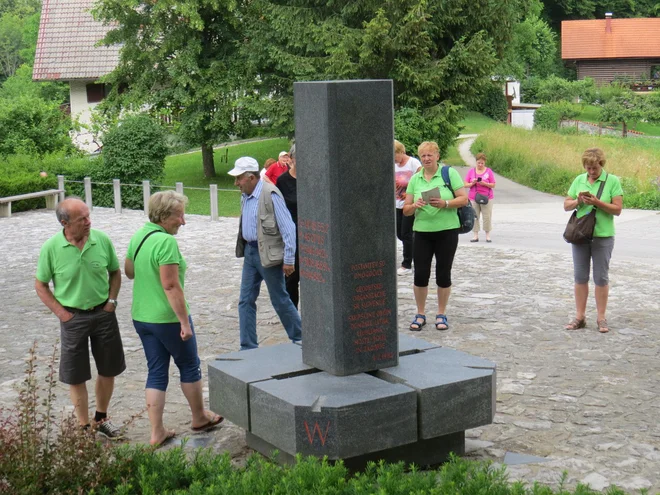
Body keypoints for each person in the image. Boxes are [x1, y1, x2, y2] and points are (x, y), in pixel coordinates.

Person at [125, 191, 222, 447]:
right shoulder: (166, 243)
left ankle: (156, 432)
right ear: (165, 216)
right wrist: (184, 323)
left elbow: (129, 271)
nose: (183, 221)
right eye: (180, 215)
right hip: (166, 318)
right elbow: (170, 286)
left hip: (142, 317)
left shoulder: (139, 235)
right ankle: (199, 417)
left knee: (156, 371)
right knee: (189, 365)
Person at [35, 197, 126, 439]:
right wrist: (61, 313)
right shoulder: (51, 248)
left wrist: (112, 301)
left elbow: (115, 272)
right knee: (76, 374)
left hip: (103, 314)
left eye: (88, 216)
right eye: (82, 219)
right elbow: (41, 285)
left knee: (108, 369)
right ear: (65, 223)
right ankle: (84, 426)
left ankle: (101, 418)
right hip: (72, 318)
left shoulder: (101, 240)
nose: (88, 222)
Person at [229, 156, 302, 350]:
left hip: (268, 255)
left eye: (239, 178)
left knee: (279, 298)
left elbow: (288, 228)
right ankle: (248, 346)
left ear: (251, 177)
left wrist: (289, 259)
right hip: (250, 253)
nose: (236, 183)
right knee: (245, 300)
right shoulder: (245, 195)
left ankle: (301, 338)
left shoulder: (271, 194)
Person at [403, 141, 469, 332]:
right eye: (423, 156)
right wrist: (415, 206)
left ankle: (441, 313)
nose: (426, 159)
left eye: (430, 155)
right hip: (422, 231)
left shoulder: (449, 173)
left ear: (437, 156)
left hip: (447, 231)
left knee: (443, 273)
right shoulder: (416, 179)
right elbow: (405, 210)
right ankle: (420, 313)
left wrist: (445, 203)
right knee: (420, 274)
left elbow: (463, 199)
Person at [563, 148, 623, 334]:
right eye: (588, 168)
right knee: (580, 277)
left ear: (601, 165)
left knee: (601, 277)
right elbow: (566, 205)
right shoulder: (579, 179)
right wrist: (578, 201)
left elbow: (617, 209)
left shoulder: (612, 181)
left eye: (594, 168)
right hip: (581, 235)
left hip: (602, 235)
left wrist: (597, 202)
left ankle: (601, 318)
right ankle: (580, 316)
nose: (591, 172)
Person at [276, 144, 300, 308]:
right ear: (291, 159)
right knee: (291, 278)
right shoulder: (283, 181)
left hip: (312, 234)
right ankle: (293, 317)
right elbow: (278, 210)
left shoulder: (315, 179)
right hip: (291, 236)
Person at [394, 140, 422, 275]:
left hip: (409, 204)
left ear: (400, 152)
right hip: (396, 203)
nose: (393, 159)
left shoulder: (413, 163)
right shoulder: (393, 165)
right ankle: (417, 249)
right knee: (399, 233)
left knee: (406, 233)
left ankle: (407, 264)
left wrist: (413, 195)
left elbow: (422, 180)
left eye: (395, 155)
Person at [464, 152, 496, 243]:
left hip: (487, 197)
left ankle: (487, 235)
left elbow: (493, 184)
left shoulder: (489, 171)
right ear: (476, 162)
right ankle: (475, 235)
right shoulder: (471, 171)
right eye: (479, 163)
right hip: (474, 197)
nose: (480, 165)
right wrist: (472, 183)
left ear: (484, 163)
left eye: (482, 163)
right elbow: (465, 184)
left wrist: (485, 183)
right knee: (475, 216)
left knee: (487, 216)